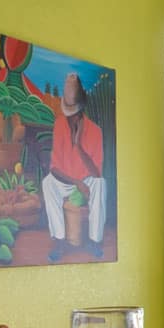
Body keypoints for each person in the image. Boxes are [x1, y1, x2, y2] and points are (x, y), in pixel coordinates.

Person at [35, 72, 108, 260]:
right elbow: (54, 168)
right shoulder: (59, 124)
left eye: (73, 114)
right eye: (68, 114)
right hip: (67, 181)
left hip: (87, 181)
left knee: (101, 185)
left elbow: (96, 173)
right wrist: (76, 182)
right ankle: (59, 241)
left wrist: (79, 146)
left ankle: (94, 241)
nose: (70, 118)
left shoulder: (95, 131)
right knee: (47, 183)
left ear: (81, 111)